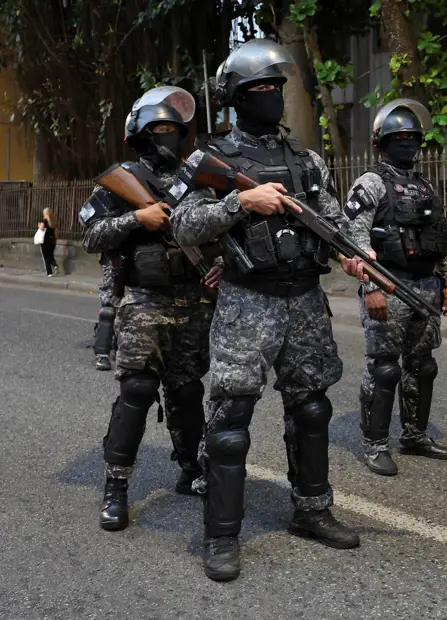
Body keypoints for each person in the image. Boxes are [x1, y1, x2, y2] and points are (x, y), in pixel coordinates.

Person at [170, 39, 367, 582]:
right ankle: (222, 534)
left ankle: (312, 510)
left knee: (312, 409)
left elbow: (335, 223)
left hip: (304, 300)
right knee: (231, 420)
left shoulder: (306, 160)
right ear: (235, 97)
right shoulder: (211, 160)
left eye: (276, 89)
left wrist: (358, 255)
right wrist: (240, 203)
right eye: (258, 90)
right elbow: (181, 225)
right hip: (245, 303)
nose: (271, 98)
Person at [79, 86, 221, 534]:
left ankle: (192, 469)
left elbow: (221, 231)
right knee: (137, 392)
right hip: (143, 302)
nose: (168, 138)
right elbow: (90, 236)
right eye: (158, 130)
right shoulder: (124, 180)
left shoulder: (199, 178)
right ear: (140, 136)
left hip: (193, 302)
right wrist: (135, 220)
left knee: (186, 392)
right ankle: (116, 488)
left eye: (174, 131)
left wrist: (219, 266)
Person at [343, 98, 447, 476]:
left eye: (413, 137)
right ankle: (375, 444)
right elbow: (353, 240)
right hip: (388, 286)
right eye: (399, 137)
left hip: (426, 285)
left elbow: (442, 235)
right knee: (384, 369)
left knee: (422, 366)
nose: (407, 144)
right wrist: (371, 286)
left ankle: (415, 434)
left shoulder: (425, 185)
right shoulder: (370, 184)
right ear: (381, 142)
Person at [93, 254, 119, 371]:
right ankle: (102, 354)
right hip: (116, 262)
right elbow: (90, 243)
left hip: (146, 259)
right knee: (108, 310)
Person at [37, 208, 59, 276]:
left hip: (45, 241)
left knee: (46, 257)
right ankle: (55, 265)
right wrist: (56, 240)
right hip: (52, 241)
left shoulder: (44, 221)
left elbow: (41, 229)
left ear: (45, 214)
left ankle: (49, 273)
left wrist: (39, 226)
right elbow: (56, 232)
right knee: (50, 255)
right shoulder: (54, 222)